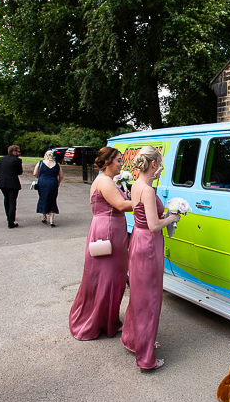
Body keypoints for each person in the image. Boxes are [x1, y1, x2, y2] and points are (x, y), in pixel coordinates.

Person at [121, 146, 179, 372]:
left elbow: (145, 218)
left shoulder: (136, 185)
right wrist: (173, 217)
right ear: (153, 164)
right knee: (150, 298)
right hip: (148, 245)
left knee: (139, 294)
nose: (160, 169)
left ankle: (135, 339)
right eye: (160, 165)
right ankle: (146, 357)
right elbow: (154, 225)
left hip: (138, 238)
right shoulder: (147, 190)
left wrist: (163, 216)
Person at [69, 147, 132, 340]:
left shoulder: (105, 180)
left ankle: (104, 319)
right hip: (108, 232)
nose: (122, 163)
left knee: (108, 277)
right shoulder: (104, 180)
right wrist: (146, 198)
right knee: (107, 278)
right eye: (119, 160)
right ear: (108, 162)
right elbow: (121, 206)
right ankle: (96, 321)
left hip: (106, 227)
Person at [33, 148, 63, 227]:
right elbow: (61, 176)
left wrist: (40, 178)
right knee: (52, 200)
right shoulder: (57, 165)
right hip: (53, 183)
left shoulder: (40, 163)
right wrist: (58, 183)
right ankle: (51, 221)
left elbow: (35, 173)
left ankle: (44, 216)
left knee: (43, 197)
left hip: (42, 182)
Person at [0, 145, 23, 228]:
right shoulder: (17, 160)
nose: (19, 153)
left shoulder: (1, 159)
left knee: (6, 199)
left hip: (3, 182)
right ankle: (11, 221)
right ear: (13, 151)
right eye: (18, 151)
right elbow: (19, 172)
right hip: (13, 183)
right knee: (12, 202)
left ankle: (9, 217)